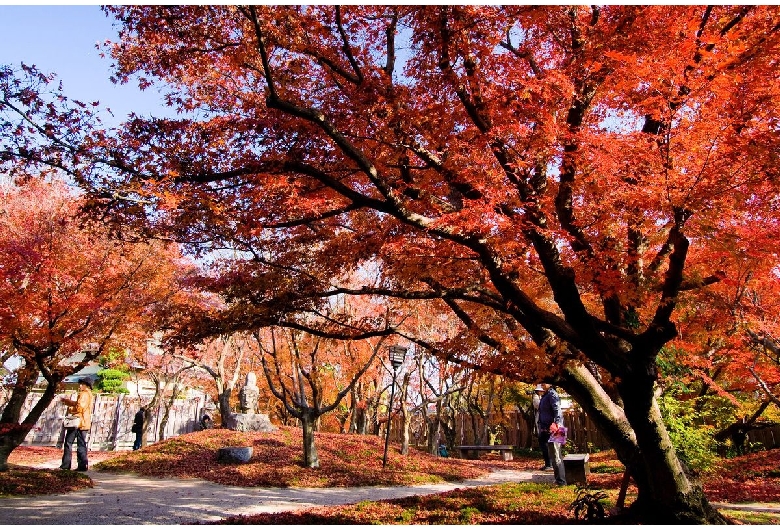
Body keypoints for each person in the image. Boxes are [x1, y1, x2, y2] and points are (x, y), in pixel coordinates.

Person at [59, 378, 94, 471]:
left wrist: (71, 409)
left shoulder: (83, 394)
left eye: (82, 384)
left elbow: (80, 408)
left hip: (78, 422)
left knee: (68, 443)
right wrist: (69, 402)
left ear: (86, 385)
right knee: (81, 443)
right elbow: (80, 405)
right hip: (85, 422)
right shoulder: (90, 394)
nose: (80, 386)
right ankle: (82, 465)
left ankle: (66, 465)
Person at [537, 383, 566, 486]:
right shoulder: (545, 395)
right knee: (553, 456)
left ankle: (561, 481)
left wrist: (557, 424)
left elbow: (557, 410)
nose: (542, 385)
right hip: (547, 428)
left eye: (544, 383)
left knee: (556, 455)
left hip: (555, 428)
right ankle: (558, 479)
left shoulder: (552, 394)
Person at [532, 384, 549, 469]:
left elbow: (538, 405)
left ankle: (550, 464)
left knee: (549, 445)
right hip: (544, 424)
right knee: (544, 443)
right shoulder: (544, 397)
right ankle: (548, 464)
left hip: (548, 425)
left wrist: (535, 396)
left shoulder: (548, 397)